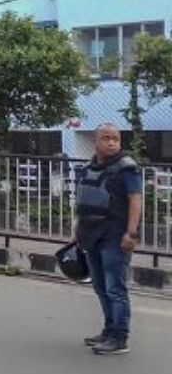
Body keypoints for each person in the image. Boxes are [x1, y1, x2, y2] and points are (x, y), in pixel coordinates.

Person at [74, 123, 143, 355]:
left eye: (115, 139)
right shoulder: (88, 168)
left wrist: (131, 233)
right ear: (95, 141)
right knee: (100, 286)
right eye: (106, 138)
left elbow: (136, 200)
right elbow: (83, 200)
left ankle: (120, 336)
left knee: (115, 288)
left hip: (115, 236)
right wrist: (77, 229)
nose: (112, 142)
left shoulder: (127, 168)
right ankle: (108, 330)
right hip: (91, 235)